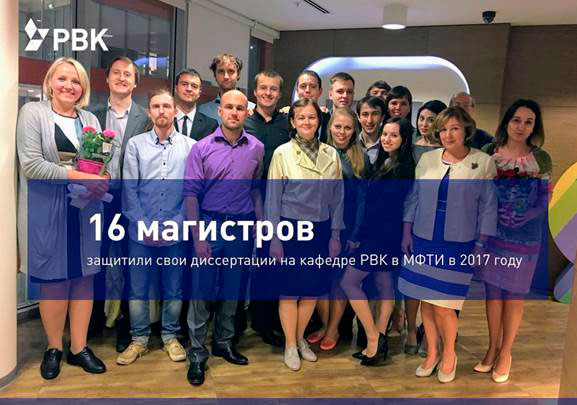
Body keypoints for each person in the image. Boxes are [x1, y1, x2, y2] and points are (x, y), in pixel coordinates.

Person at [17, 57, 108, 379]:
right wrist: (79, 176)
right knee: (54, 281)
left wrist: (103, 180)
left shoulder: (90, 119)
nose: (69, 86)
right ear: (50, 82)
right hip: (48, 213)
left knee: (84, 278)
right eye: (63, 79)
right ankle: (54, 347)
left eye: (76, 81)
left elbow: (101, 163)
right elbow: (32, 165)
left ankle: (78, 348)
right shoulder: (33, 114)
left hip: (85, 213)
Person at [398, 106, 497, 383]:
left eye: (454, 128)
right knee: (426, 303)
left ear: (466, 130)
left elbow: (489, 207)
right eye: (443, 129)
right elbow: (413, 198)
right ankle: (431, 353)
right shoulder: (427, 159)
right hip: (423, 238)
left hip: (459, 243)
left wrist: (481, 244)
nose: (448, 134)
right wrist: (406, 232)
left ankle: (449, 354)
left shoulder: (483, 162)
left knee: (444, 304)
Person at [184, 90, 264, 386]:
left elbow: (255, 189)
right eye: (229, 107)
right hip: (209, 224)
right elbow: (190, 195)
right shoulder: (201, 148)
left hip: (241, 228)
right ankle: (196, 353)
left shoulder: (256, 148)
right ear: (220, 111)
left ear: (246, 113)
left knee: (232, 289)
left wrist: (260, 222)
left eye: (239, 108)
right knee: (202, 292)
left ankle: (224, 343)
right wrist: (197, 237)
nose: (234, 112)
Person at [475, 99, 552, 383]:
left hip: (525, 236)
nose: (521, 126)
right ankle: (492, 347)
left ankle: (506, 352)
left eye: (528, 122)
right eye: (516, 120)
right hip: (492, 234)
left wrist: (528, 214)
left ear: (535, 127)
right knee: (492, 292)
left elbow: (545, 198)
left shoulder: (541, 158)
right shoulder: (489, 152)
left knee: (514, 294)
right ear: (506, 122)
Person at [265, 98, 344, 371]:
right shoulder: (282, 153)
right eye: (301, 118)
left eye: (312, 117)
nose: (307, 122)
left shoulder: (331, 154)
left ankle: (300, 340)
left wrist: (335, 235)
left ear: (319, 120)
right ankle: (289, 345)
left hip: (320, 230)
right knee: (289, 292)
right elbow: (272, 199)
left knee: (311, 291)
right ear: (293, 122)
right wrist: (274, 238)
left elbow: (338, 199)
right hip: (290, 230)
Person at [117, 89, 193, 366]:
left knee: (173, 290)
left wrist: (174, 225)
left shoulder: (191, 146)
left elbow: (192, 192)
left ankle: (170, 337)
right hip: (141, 233)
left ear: (174, 111)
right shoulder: (135, 145)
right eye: (156, 106)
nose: (162, 111)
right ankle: (139, 340)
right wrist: (145, 226)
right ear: (149, 112)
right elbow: (129, 189)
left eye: (166, 106)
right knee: (138, 291)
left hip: (176, 233)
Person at [89, 56, 152, 353]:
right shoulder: (91, 116)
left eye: (128, 74)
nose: (122, 78)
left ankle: (127, 324)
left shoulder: (145, 118)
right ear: (107, 79)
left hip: (130, 200)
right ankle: (93, 320)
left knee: (129, 264)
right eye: (116, 73)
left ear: (135, 82)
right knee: (96, 260)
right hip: (96, 199)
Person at [341, 117, 415, 366]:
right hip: (383, 234)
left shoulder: (402, 168)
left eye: (394, 135)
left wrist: (359, 236)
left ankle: (373, 337)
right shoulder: (385, 162)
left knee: (349, 281)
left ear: (404, 139)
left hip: (382, 236)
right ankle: (379, 340)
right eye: (385, 134)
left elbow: (381, 209)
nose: (387, 139)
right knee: (384, 285)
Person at [306, 107, 370, 351]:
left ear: (354, 131)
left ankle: (333, 328)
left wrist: (356, 234)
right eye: (338, 126)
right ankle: (325, 325)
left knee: (339, 280)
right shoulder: (318, 151)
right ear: (329, 127)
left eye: (347, 128)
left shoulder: (360, 158)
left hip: (347, 228)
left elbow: (363, 202)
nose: (342, 132)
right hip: (319, 226)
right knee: (320, 280)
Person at [244, 70, 291, 348]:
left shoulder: (287, 123)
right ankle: (244, 320)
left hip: (281, 204)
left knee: (271, 264)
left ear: (279, 94)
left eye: (273, 89)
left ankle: (268, 322)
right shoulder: (245, 121)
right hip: (246, 202)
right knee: (244, 264)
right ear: (255, 91)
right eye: (263, 88)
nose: (268, 93)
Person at [404, 99, 447, 356]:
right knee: (413, 280)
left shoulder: (447, 151)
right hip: (413, 218)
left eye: (431, 119)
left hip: (441, 225)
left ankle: (429, 333)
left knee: (434, 284)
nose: (425, 124)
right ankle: (411, 329)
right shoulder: (410, 147)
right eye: (422, 118)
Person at [198, 53, 255, 122]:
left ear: (238, 75)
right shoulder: (204, 111)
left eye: (231, 71)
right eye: (221, 71)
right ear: (215, 75)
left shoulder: (253, 109)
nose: (226, 77)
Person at [174, 68, 218, 141]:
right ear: (176, 88)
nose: (189, 89)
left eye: (194, 86)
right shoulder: (163, 119)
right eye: (184, 84)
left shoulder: (211, 125)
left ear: (199, 93)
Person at [357, 95, 387, 165]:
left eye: (375, 114)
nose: (369, 120)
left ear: (382, 117)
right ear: (358, 117)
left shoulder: (390, 146)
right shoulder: (350, 144)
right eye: (365, 114)